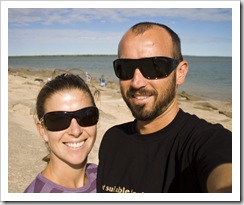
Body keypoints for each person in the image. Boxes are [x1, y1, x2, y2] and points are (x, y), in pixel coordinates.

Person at [97, 22, 232, 193]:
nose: (137, 82)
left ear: (180, 72)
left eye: (154, 67)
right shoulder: (112, 140)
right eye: (125, 68)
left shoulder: (206, 141)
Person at [24, 73, 99, 193]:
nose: (76, 131)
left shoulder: (103, 178)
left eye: (86, 115)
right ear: (42, 130)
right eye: (59, 120)